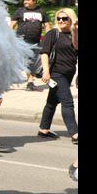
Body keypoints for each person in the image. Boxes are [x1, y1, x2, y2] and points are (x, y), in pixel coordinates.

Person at [37, 8, 78, 143]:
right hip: (56, 72)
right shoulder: (53, 33)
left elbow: (76, 49)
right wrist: (46, 71)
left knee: (52, 101)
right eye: (59, 18)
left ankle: (43, 130)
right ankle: (75, 133)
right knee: (67, 102)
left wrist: (75, 31)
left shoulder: (74, 34)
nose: (60, 21)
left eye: (64, 18)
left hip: (69, 72)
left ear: (71, 19)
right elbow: (44, 53)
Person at [11, 0, 51, 90]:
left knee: (33, 61)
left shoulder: (41, 11)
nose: (25, 2)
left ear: (35, 1)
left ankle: (32, 80)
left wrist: (49, 39)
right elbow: (12, 25)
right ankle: (30, 82)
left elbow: (47, 26)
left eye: (28, 0)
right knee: (27, 61)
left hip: (36, 41)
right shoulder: (20, 11)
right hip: (22, 41)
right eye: (25, 0)